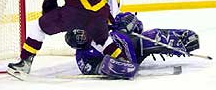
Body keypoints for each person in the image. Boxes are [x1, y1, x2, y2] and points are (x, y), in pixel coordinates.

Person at [65, 12, 200, 79]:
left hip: (131, 47)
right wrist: (108, 66)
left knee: (153, 36)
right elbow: (93, 69)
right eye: (80, 38)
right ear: (77, 45)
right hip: (124, 57)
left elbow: (119, 24)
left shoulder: (96, 30)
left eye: (82, 33)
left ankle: (183, 40)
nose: (84, 37)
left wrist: (124, 24)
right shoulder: (82, 56)